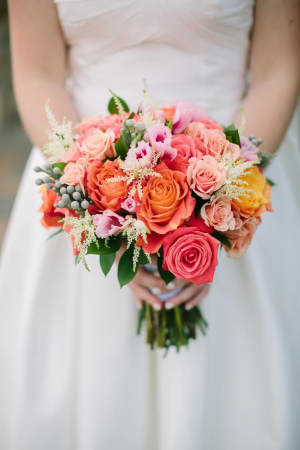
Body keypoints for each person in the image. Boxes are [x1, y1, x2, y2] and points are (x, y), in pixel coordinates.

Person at [0, 1, 299, 449]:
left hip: (238, 170)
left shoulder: (225, 195)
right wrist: (98, 205)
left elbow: (278, 69)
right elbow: (38, 74)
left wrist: (217, 207)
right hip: (84, 182)